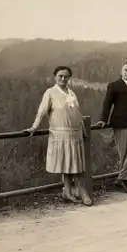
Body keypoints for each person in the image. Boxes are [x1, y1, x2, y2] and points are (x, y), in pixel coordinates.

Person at [25, 66, 93, 205]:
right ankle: (83, 192)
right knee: (72, 165)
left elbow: (78, 114)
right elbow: (42, 112)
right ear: (55, 77)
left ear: (69, 78)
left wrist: (83, 132)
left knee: (71, 163)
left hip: (75, 134)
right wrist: (34, 127)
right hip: (61, 134)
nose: (63, 79)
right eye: (60, 76)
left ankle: (67, 192)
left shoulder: (71, 93)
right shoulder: (50, 93)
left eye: (66, 76)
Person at [95, 60, 127, 194]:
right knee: (124, 153)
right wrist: (103, 119)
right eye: (125, 70)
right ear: (121, 70)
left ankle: (121, 179)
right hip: (121, 122)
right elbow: (107, 103)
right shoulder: (114, 86)